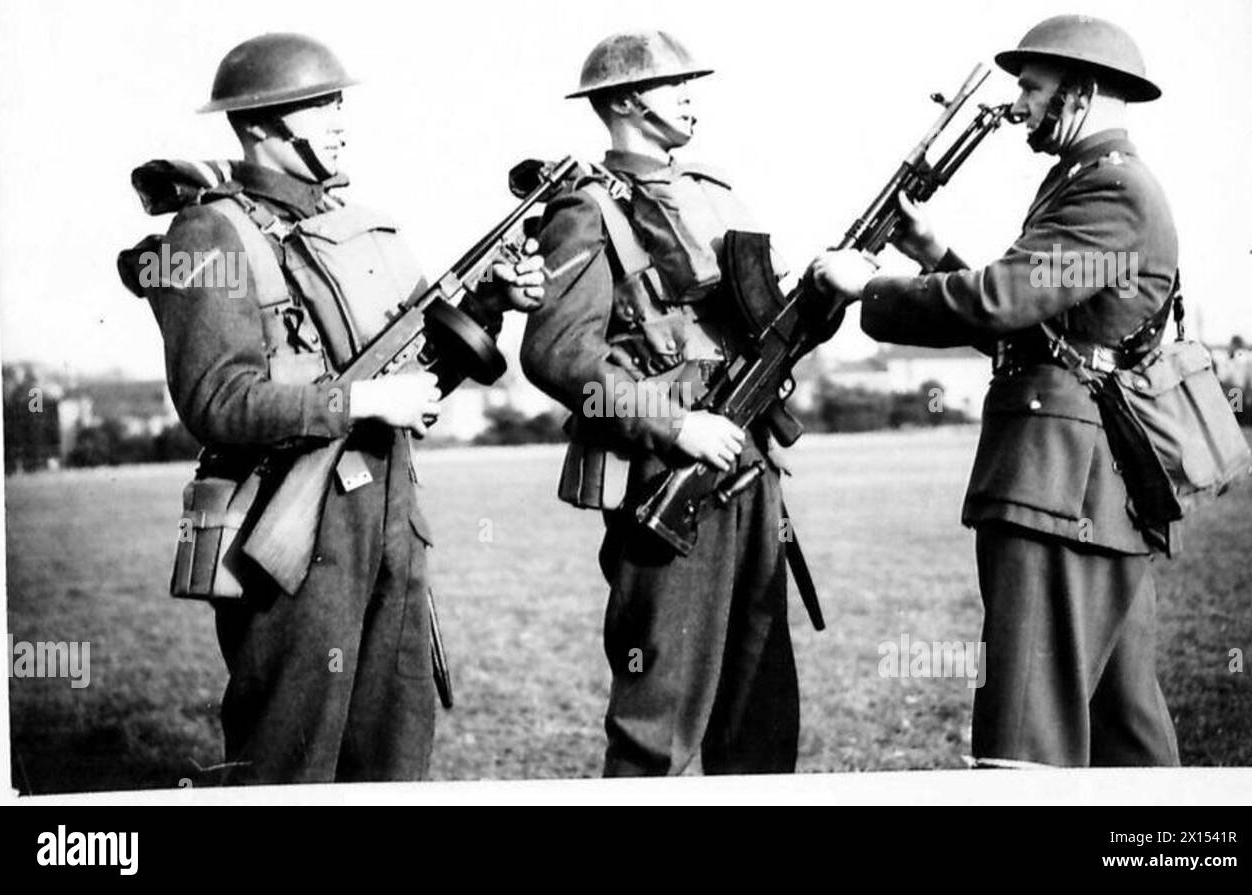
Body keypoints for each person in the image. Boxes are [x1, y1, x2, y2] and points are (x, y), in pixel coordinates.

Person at [128, 32, 544, 784]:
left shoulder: (356, 231)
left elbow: (419, 378)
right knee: (289, 756)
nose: (341, 118)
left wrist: (493, 304)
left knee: (393, 751)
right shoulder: (209, 235)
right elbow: (216, 400)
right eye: (320, 104)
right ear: (260, 125)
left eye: (339, 101)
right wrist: (361, 398)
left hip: (388, 517)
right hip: (292, 531)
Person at [809, 14, 1181, 767]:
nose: (1019, 106)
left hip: (1059, 489)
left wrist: (870, 288)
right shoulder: (1089, 181)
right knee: (1123, 733)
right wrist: (933, 252)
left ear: (1079, 89)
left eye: (1032, 88)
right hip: (1088, 490)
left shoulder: (1112, 191)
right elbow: (1038, 326)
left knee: (1026, 730)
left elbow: (999, 303)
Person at [521, 30, 804, 776]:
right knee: (659, 724)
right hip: (669, 481)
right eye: (672, 84)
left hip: (750, 468)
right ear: (624, 101)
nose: (688, 97)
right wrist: (674, 422)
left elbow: (766, 323)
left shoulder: (710, 192)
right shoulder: (585, 211)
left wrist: (827, 295)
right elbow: (557, 354)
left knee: (761, 715)